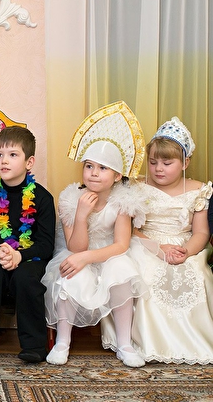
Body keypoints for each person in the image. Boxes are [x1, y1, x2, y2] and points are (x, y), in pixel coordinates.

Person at [42, 101, 148, 367]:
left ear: (117, 175)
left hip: (109, 252)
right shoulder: (70, 198)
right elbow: (76, 248)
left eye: (103, 168)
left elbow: (121, 245)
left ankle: (124, 343)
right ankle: (63, 342)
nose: (94, 174)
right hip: (78, 249)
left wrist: (88, 257)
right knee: (70, 273)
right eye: (89, 166)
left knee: (121, 269)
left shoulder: (122, 201)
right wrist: (81, 216)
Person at [127, 117, 213, 364]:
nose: (158, 169)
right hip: (146, 243)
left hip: (184, 245)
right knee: (148, 273)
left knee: (196, 273)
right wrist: (158, 248)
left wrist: (185, 251)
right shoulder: (138, 187)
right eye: (153, 162)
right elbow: (131, 230)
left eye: (167, 163)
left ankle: (191, 340)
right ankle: (151, 341)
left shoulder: (198, 190)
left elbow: (201, 233)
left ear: (185, 163)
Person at [0, 126, 55, 367]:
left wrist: (20, 256)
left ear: (29, 162)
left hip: (31, 258)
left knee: (25, 277)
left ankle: (34, 345)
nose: (4, 161)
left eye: (12, 155)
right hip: (0, 254)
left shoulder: (42, 198)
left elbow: (46, 245)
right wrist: (0, 250)